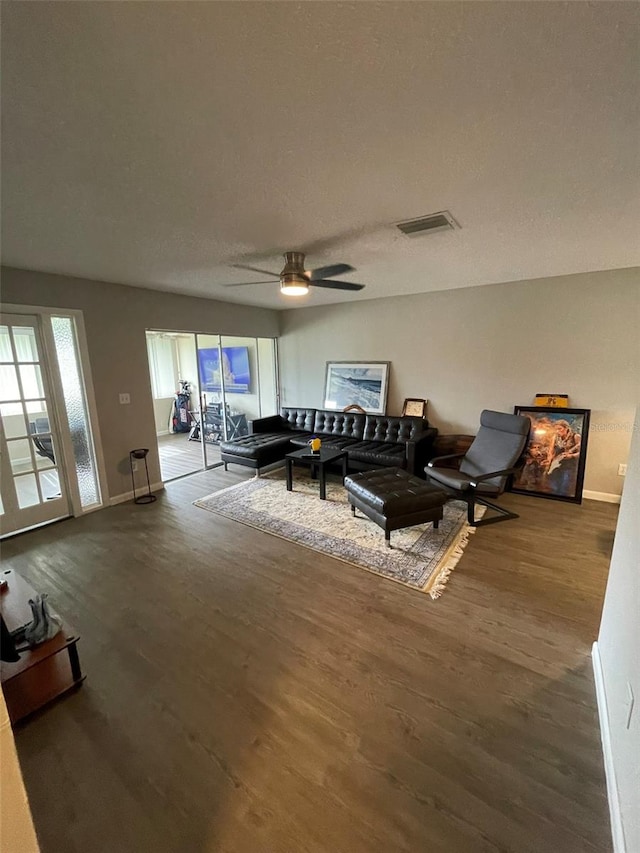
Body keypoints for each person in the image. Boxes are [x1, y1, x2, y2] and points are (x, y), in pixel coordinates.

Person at [546, 419, 582, 495]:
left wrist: (571, 455)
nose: (557, 431)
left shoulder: (575, 436)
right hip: (556, 464)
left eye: (559, 429)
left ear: (566, 428)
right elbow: (551, 450)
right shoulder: (555, 437)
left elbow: (581, 452)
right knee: (553, 485)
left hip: (569, 465)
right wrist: (549, 460)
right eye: (556, 429)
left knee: (564, 485)